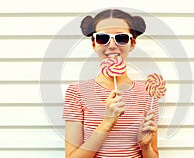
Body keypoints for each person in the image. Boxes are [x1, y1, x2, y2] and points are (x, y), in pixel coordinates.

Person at [63, 9, 159, 158]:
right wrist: (107, 122)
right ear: (94, 44)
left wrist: (145, 146)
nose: (112, 45)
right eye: (103, 38)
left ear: (132, 43)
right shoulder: (77, 92)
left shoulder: (148, 93)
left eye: (121, 38)